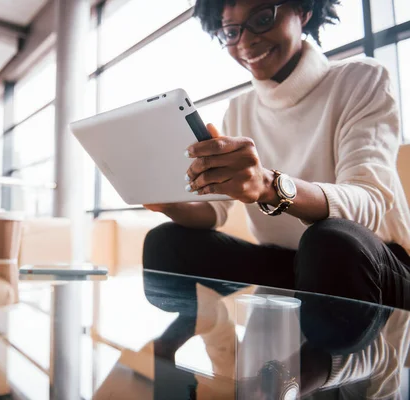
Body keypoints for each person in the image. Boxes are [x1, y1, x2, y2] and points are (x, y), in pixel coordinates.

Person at [143, 0, 410, 309]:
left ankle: (332, 357)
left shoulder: (362, 79)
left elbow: (369, 202)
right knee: (167, 242)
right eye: (231, 31)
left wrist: (270, 186)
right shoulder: (239, 108)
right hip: (290, 264)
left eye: (262, 18)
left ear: (304, 10)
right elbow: (214, 213)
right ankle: (168, 352)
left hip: (372, 265)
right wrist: (169, 204)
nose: (245, 41)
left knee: (329, 240)